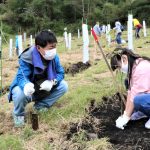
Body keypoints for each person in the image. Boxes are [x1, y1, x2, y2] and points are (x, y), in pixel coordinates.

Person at [8, 30, 68, 127]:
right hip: (30, 87)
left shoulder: (54, 57)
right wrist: (26, 85)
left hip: (42, 86)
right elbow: (21, 76)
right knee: (19, 93)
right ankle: (19, 117)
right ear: (39, 48)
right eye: (51, 47)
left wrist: (53, 82)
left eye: (55, 46)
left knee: (63, 86)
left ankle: (40, 106)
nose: (54, 50)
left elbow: (60, 72)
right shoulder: (27, 57)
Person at [110, 48, 150, 130]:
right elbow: (130, 92)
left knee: (138, 100)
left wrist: (126, 117)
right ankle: (143, 112)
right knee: (127, 83)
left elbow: (134, 95)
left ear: (124, 59)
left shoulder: (141, 68)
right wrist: (125, 114)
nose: (120, 70)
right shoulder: (133, 68)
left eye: (119, 67)